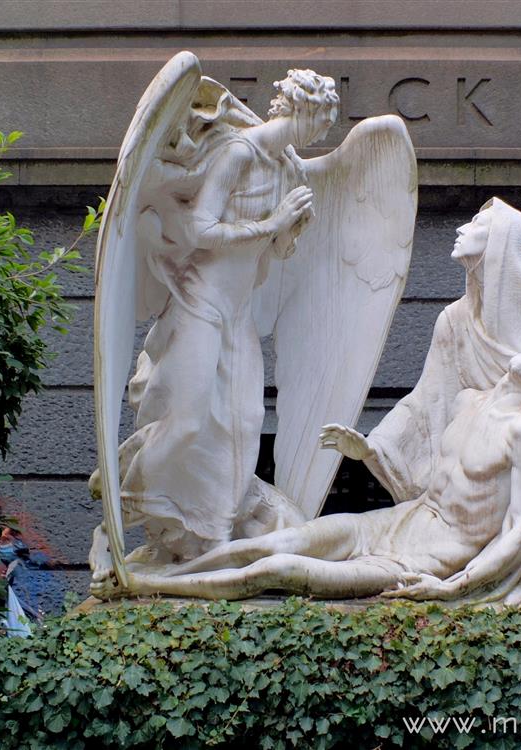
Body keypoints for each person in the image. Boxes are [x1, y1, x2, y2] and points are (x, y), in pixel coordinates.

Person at [322, 198, 521, 607]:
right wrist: (373, 447)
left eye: (476, 224)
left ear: (504, 243)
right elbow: (428, 399)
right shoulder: (454, 321)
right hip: (486, 463)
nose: (460, 229)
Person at [88, 70, 339, 582]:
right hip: (199, 303)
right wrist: (271, 223)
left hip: (237, 314)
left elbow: (276, 254)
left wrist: (287, 230)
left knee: (244, 426)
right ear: (301, 110)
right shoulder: (239, 154)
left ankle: (213, 539)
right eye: (320, 121)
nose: (320, 135)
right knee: (185, 422)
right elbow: (200, 228)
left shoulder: (291, 170)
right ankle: (121, 511)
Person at [90, 348, 521, 601]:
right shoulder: (468, 402)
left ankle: (138, 583)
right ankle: (159, 572)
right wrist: (367, 453)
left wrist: (453, 587)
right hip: (394, 522)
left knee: (275, 571)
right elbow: (422, 479)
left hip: (425, 558)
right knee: (274, 543)